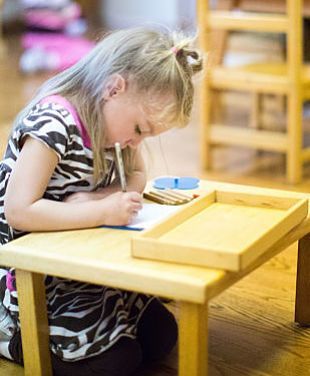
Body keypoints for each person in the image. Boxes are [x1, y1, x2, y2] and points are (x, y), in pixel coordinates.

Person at [0, 26, 203, 375]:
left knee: (161, 337)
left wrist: (99, 198)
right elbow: (18, 210)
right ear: (114, 88)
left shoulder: (118, 134)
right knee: (116, 362)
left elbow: (138, 177)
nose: (138, 142)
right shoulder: (54, 123)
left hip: (88, 262)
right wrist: (101, 210)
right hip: (40, 275)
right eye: (141, 129)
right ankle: (12, 334)